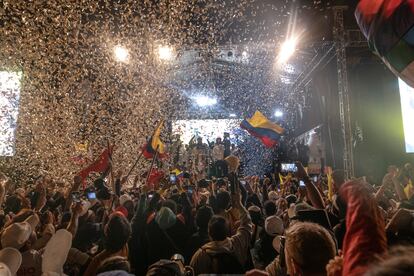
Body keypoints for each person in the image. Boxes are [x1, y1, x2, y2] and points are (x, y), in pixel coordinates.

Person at [190, 186, 253, 275]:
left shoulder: (200, 255)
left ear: (209, 233)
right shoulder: (237, 244)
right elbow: (247, 223)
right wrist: (239, 203)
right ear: (227, 230)